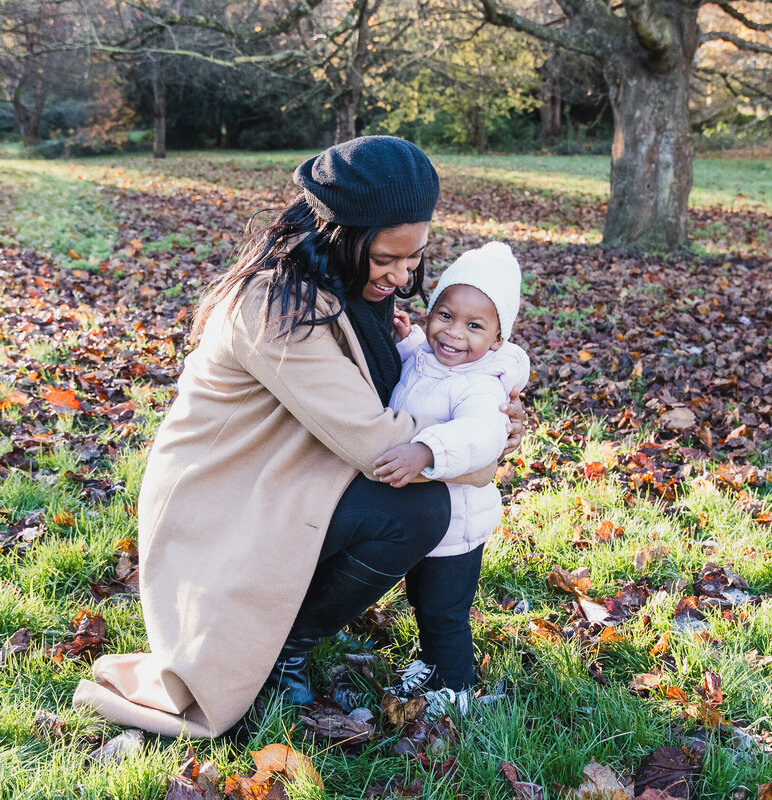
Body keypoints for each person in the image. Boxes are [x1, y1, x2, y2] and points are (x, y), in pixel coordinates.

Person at [71, 136, 523, 738]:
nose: (402, 274)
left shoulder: (353, 292)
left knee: (418, 499)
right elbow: (375, 442)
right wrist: (484, 448)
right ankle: (280, 644)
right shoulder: (276, 309)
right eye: (387, 257)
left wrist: (481, 412)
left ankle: (289, 634)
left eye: (413, 258)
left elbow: (407, 384)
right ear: (343, 236)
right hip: (224, 498)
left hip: (288, 474)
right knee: (418, 505)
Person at [372, 241, 530, 716]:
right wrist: (404, 342)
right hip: (426, 523)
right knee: (421, 598)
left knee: (446, 610)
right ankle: (432, 663)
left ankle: (456, 685)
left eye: (474, 326)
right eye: (444, 315)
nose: (453, 333)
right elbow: (415, 380)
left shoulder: (481, 385)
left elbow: (480, 436)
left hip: (458, 524)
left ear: (497, 341)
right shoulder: (428, 356)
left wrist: (426, 450)